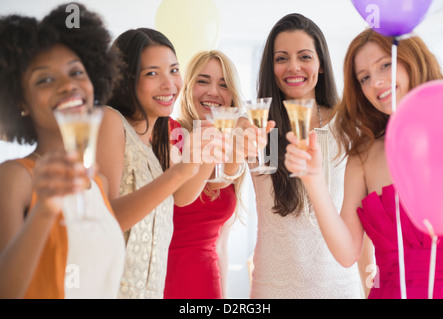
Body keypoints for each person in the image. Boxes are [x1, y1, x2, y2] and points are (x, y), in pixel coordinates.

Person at [285, 28, 443, 299]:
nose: (376, 82)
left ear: (412, 59)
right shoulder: (364, 155)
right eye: (364, 78)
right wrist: (313, 180)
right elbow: (347, 253)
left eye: (385, 65)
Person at [0, 3, 125, 298]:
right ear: (20, 102)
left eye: (77, 72)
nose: (69, 85)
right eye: (45, 79)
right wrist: (44, 210)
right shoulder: (14, 178)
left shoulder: (98, 184)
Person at [97, 29, 224, 299]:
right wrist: (182, 170)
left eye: (174, 70)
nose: (169, 84)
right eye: (152, 73)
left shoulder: (160, 139)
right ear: (125, 79)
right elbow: (107, 217)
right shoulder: (110, 121)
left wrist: (204, 153)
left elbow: (181, 197)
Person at [248, 13, 363, 298]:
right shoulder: (257, 126)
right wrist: (239, 130)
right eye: (281, 58)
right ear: (270, 66)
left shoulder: (350, 126)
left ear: (322, 64)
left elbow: (362, 218)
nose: (293, 67)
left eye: (304, 56)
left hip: (338, 287)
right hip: (272, 289)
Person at [164, 50, 257, 299]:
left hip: (208, 286)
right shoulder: (170, 133)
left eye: (223, 85)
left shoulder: (233, 150)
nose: (213, 92)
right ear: (187, 86)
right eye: (203, 81)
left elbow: (220, 244)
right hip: (164, 281)